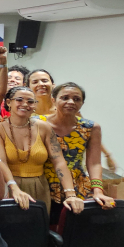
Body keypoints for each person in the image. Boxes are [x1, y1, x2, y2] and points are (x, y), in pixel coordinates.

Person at [0, 86, 84, 217]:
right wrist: (13, 187)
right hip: (8, 186)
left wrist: (70, 193)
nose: (25, 104)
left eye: (30, 101)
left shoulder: (44, 127)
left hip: (40, 187)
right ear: (8, 102)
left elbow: (59, 161)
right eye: (19, 100)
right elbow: (0, 162)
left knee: (38, 226)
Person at [40, 82, 115, 224]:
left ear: (82, 103)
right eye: (65, 98)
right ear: (53, 100)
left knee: (74, 228)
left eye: (76, 99)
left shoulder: (90, 127)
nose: (71, 102)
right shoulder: (38, 123)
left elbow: (94, 163)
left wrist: (98, 190)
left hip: (77, 186)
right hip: (43, 185)